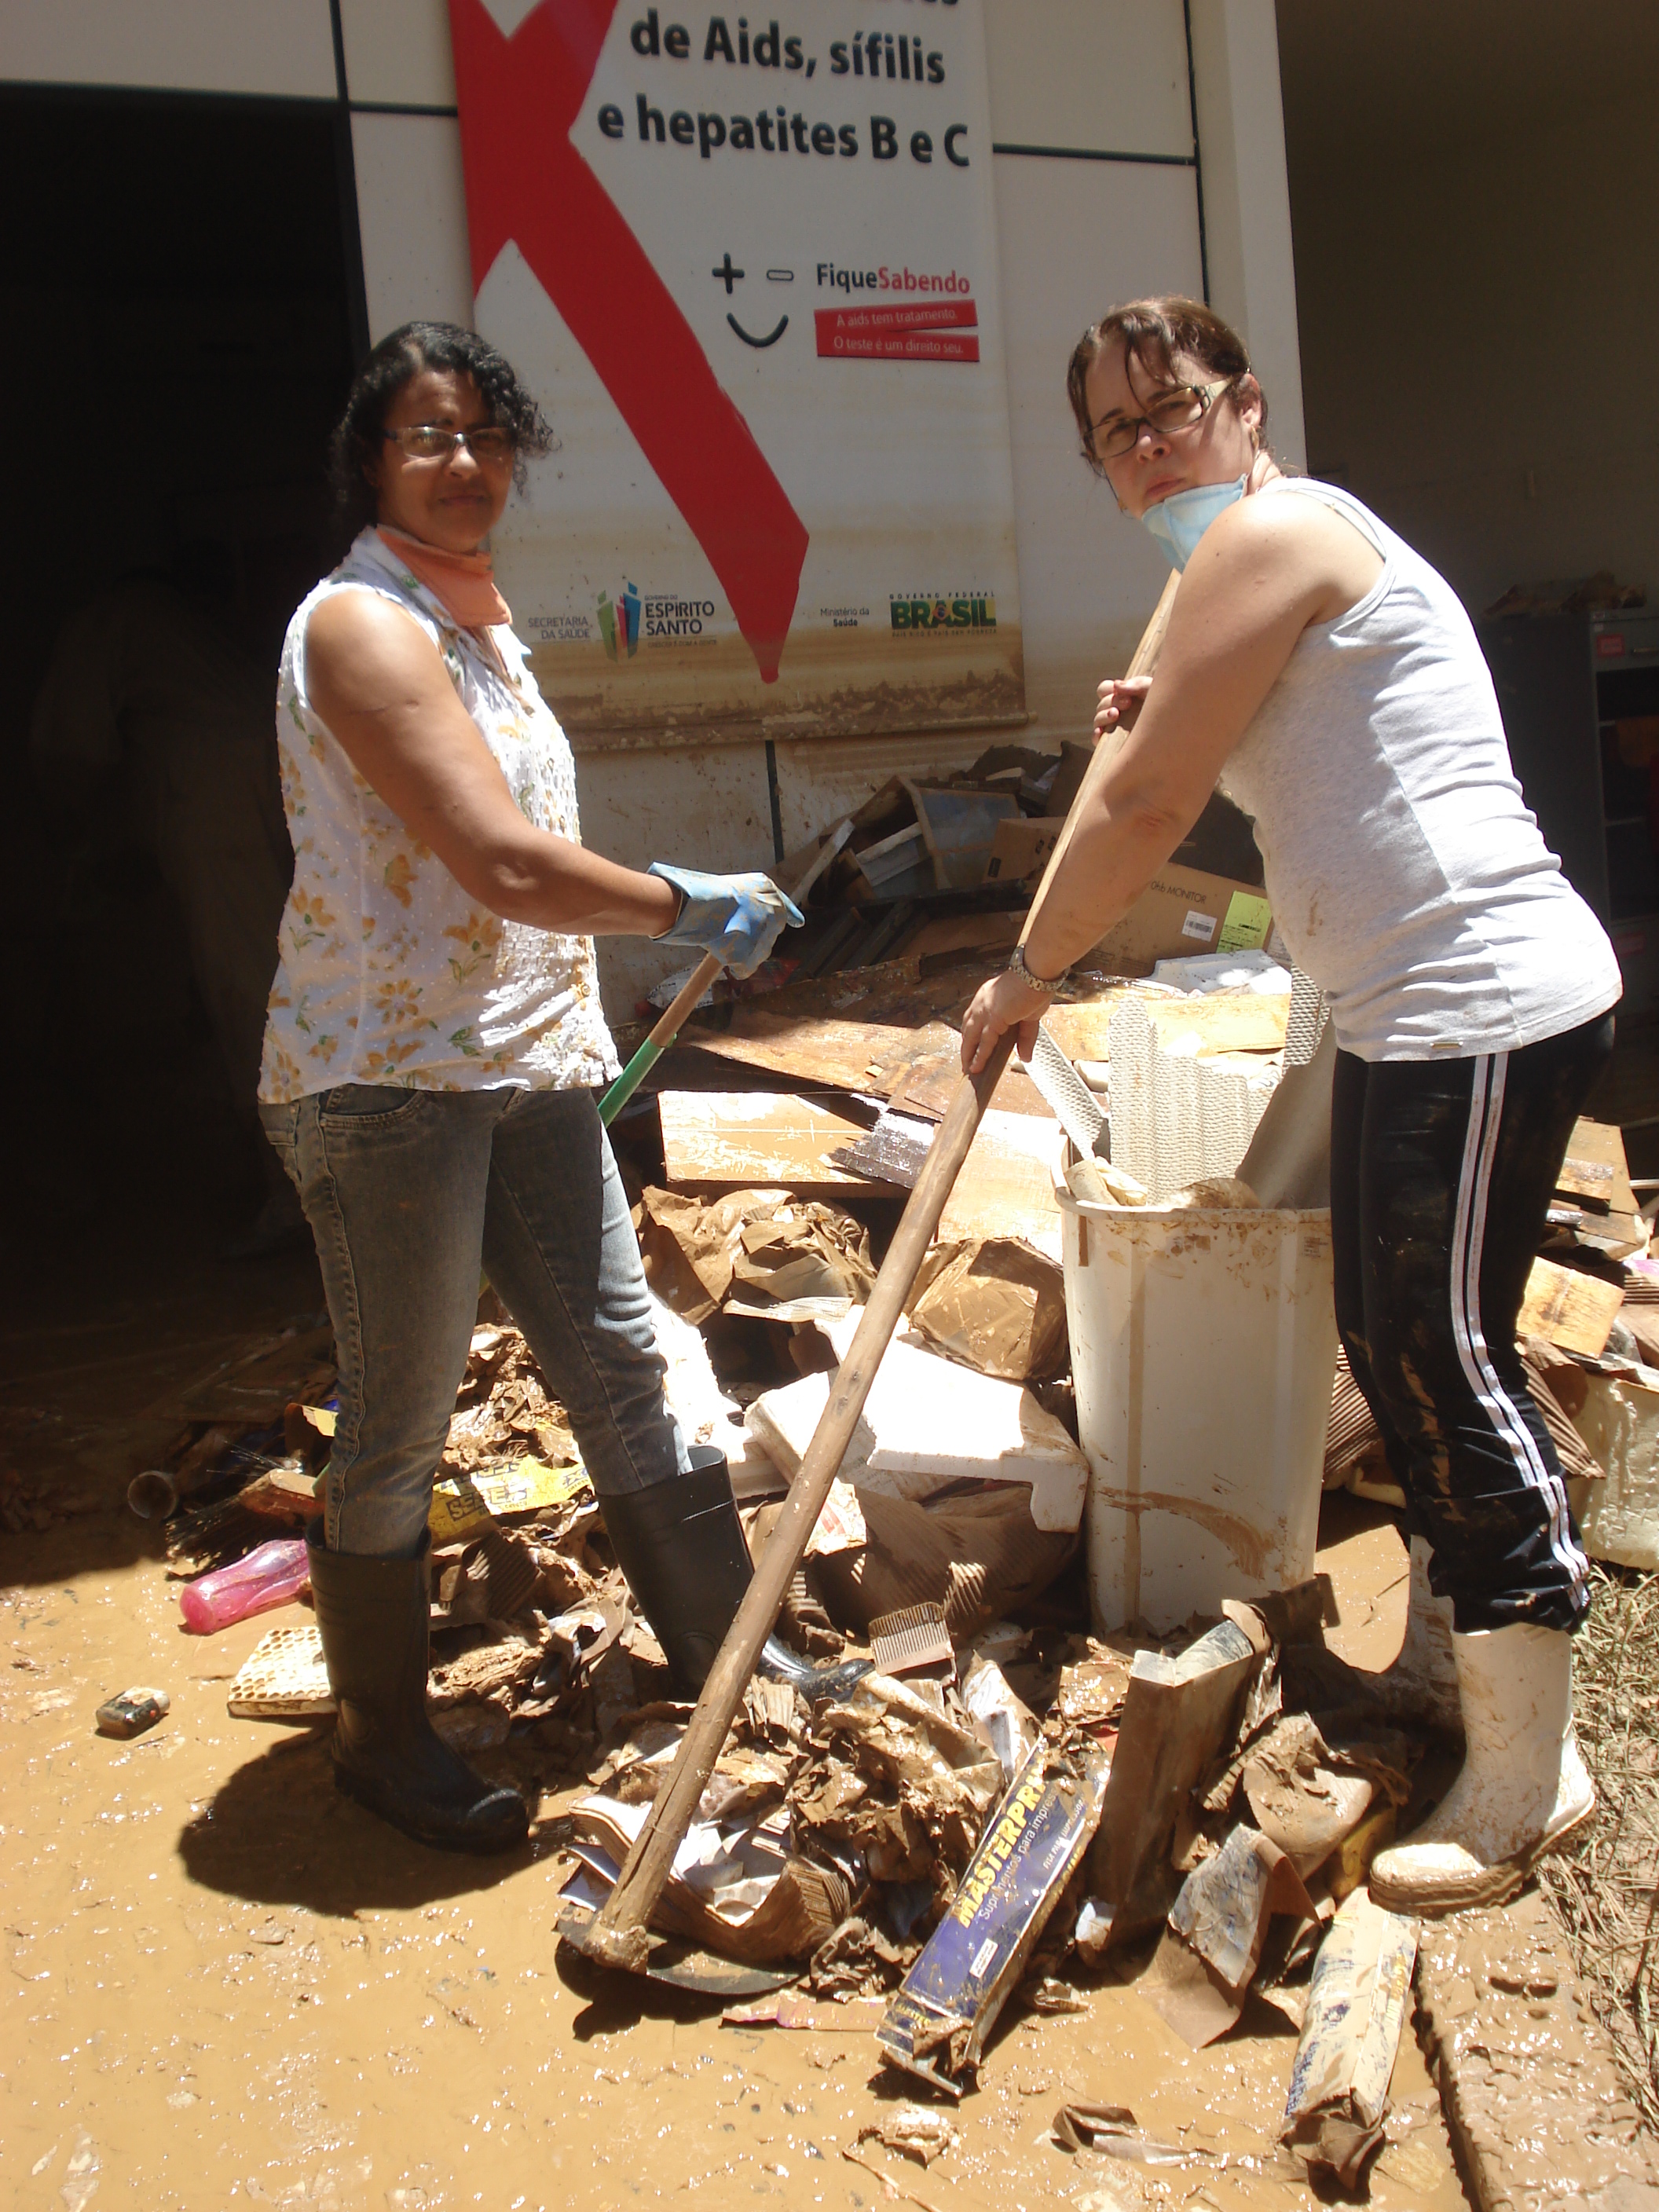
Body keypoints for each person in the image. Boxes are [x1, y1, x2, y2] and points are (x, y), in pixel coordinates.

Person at [960, 295, 1622, 1916]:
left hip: (1474, 999)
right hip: (1406, 1008)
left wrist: (1029, 973)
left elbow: (1147, 807)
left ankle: (1533, 1776)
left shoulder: (1274, 534)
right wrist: (1165, 707)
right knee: (1404, 1341)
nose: (1148, 447)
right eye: (1115, 433)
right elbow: (1230, 754)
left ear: (1245, 405)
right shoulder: (1232, 573)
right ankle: (1466, 1667)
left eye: (1172, 408)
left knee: (1435, 1354)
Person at [258, 320, 803, 1854]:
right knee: (403, 1410)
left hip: (521, 1060)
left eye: (488, 435)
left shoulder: (479, 628)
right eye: (429, 435)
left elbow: (514, 872)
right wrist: (683, 901)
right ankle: (380, 1740)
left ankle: (729, 1666)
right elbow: (499, 861)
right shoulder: (361, 627)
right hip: (386, 1080)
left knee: (620, 1362)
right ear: (372, 460)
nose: (465, 461)